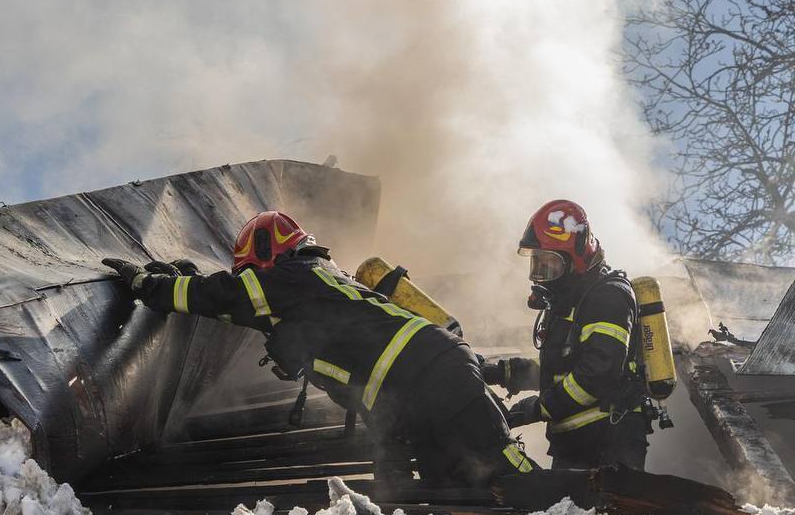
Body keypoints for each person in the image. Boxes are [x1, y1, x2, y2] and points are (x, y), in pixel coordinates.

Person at [102, 211, 537, 486]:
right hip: (406, 396)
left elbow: (223, 297)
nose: (248, 280)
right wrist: (188, 277)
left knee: (507, 473)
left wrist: (149, 285)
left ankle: (585, 506)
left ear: (266, 259)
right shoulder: (313, 285)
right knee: (446, 486)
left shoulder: (289, 279)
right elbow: (234, 307)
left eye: (249, 271)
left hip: (429, 378)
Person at [492, 199, 649, 470]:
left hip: (609, 440)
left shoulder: (607, 297)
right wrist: (504, 372)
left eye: (549, 266)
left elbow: (598, 373)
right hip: (575, 441)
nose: (540, 276)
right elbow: (563, 366)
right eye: (536, 265)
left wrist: (538, 407)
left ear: (575, 261)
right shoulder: (570, 301)